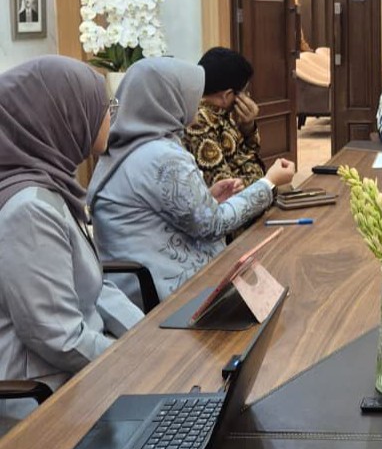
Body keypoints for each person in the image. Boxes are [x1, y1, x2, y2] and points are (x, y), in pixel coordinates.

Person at [0, 57, 143, 433]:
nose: (111, 116)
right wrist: (135, 363)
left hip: (80, 365)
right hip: (47, 396)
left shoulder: (48, 183)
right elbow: (55, 336)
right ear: (64, 116)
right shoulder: (28, 207)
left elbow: (91, 288)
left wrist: (146, 337)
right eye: (104, 107)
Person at [88, 57, 296, 302]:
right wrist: (269, 183)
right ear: (169, 99)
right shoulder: (161, 155)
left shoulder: (125, 144)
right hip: (165, 292)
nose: (197, 104)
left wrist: (207, 196)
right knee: (279, 285)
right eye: (190, 96)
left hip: (130, 287)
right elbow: (212, 225)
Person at [183, 47, 265, 188]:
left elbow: (248, 156)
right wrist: (269, 181)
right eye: (244, 92)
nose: (247, 97)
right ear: (227, 96)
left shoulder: (221, 114)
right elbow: (227, 189)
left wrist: (248, 127)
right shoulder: (199, 123)